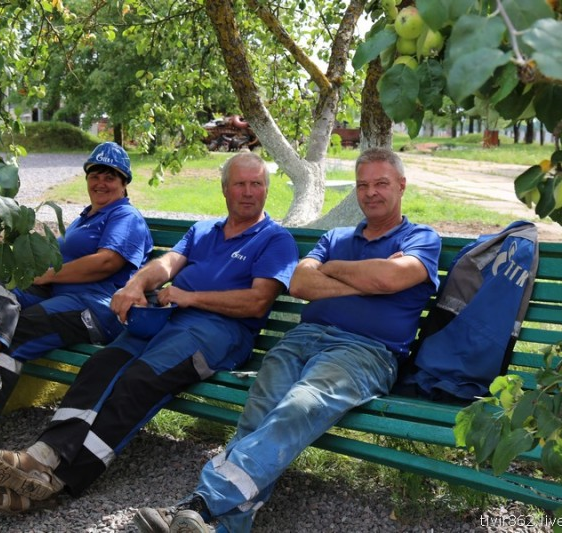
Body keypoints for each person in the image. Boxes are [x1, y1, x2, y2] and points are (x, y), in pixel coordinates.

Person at [0, 152, 300, 515]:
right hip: (165, 319)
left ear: (266, 190)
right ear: (224, 189)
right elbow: (166, 264)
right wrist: (136, 284)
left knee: (138, 382)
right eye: (240, 184)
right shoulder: (204, 231)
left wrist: (190, 297)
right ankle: (43, 455)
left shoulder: (274, 239)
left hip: (217, 332)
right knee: (100, 366)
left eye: (256, 184)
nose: (248, 192)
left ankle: (57, 480)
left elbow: (257, 302)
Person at [134, 147, 442, 533]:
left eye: (381, 183)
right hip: (302, 340)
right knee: (260, 410)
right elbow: (299, 283)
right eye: (363, 185)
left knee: (299, 406)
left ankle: (201, 503)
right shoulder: (335, 237)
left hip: (364, 352)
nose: (371, 193)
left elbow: (390, 278)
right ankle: (224, 526)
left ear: (401, 186)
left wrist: (334, 271)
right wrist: (365, 279)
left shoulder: (421, 238)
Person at [0, 142, 154, 462]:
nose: (101, 183)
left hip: (97, 308)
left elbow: (107, 262)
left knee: (19, 329)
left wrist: (49, 276)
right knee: (0, 292)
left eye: (110, 177)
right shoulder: (87, 217)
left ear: (124, 183)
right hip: (63, 298)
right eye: (95, 175)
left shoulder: (125, 216)